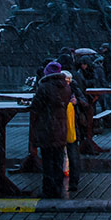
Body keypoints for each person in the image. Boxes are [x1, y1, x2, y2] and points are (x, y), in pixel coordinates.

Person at [31, 61, 82, 196]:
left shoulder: (44, 87)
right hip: (62, 126)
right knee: (58, 158)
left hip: (47, 126)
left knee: (48, 160)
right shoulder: (66, 87)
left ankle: (48, 189)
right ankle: (59, 187)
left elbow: (36, 106)